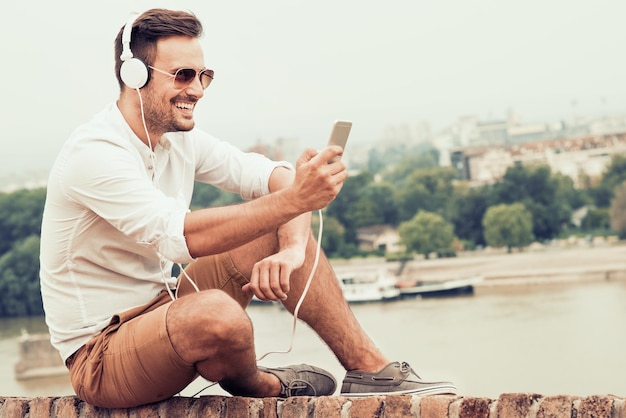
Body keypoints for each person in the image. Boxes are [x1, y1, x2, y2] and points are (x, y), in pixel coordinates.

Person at [39, 8, 457, 409]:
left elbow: (274, 177)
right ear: (134, 75)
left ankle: (370, 371)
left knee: (276, 224)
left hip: (164, 306)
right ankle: (265, 385)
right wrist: (295, 201)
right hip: (102, 354)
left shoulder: (179, 139)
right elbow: (183, 236)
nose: (198, 90)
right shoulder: (94, 153)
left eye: (205, 76)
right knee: (219, 315)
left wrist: (292, 248)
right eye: (183, 75)